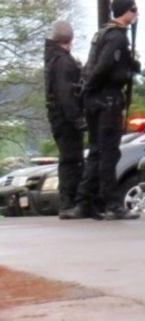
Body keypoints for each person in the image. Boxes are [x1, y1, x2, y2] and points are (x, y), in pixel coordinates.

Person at [71, 0, 142, 221]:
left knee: (95, 152)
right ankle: (112, 204)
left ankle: (84, 202)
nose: (136, 14)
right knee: (109, 153)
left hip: (95, 101)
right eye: (133, 9)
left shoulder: (101, 33)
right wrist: (90, 87)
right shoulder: (117, 37)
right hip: (107, 100)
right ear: (125, 11)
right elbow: (103, 66)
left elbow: (96, 65)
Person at [43, 20, 86, 219]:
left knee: (68, 158)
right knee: (71, 159)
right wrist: (77, 118)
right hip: (65, 118)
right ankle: (69, 203)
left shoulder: (52, 58)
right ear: (70, 38)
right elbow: (66, 94)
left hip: (57, 115)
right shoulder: (63, 62)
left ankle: (69, 202)